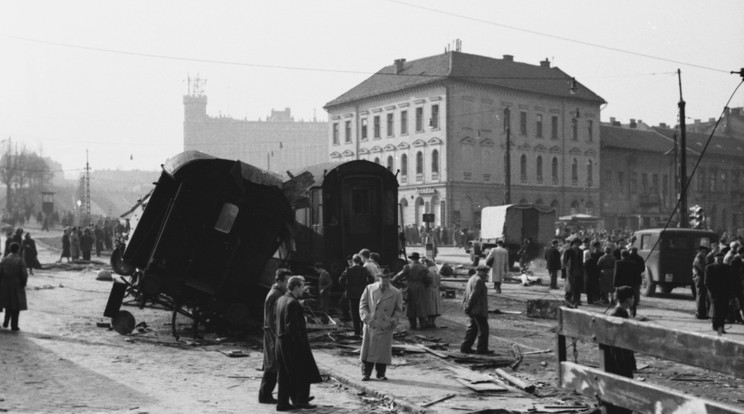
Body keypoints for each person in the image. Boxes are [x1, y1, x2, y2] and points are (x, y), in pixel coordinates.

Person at [275, 276, 322, 411]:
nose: (304, 289)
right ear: (296, 287)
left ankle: (282, 403)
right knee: (300, 372)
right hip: (292, 344)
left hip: (281, 342)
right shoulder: (293, 303)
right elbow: (293, 329)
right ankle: (300, 400)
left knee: (284, 374)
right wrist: (301, 347)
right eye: (302, 287)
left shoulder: (282, 299)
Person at [359, 270, 403, 381]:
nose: (385, 280)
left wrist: (392, 321)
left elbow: (398, 310)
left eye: (387, 277)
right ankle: (366, 373)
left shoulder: (396, 292)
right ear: (379, 278)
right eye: (383, 277)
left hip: (385, 326)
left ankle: (381, 374)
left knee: (382, 352)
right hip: (371, 324)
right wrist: (366, 318)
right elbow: (363, 305)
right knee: (368, 351)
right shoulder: (370, 288)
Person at [600, 285, 637, 414]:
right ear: (628, 299)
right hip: (621, 360)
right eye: (633, 298)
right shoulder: (620, 314)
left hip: (614, 359)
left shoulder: (615, 312)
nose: (634, 300)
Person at [258, 268, 291, 404]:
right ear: (280, 281)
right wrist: (278, 335)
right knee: (272, 365)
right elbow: (272, 319)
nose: (289, 284)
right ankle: (264, 395)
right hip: (273, 334)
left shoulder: (279, 293)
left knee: (274, 364)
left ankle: (265, 394)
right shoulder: (274, 295)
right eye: (287, 281)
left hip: (275, 333)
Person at [392, 252, 431, 330]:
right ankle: (422, 323)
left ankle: (413, 325)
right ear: (418, 259)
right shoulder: (424, 267)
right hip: (421, 288)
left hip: (411, 288)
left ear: (411, 259)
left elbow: (399, 276)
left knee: (410, 306)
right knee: (421, 305)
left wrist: (393, 281)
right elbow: (428, 279)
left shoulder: (408, 267)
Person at [339, 254, 375, 336]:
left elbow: (340, 280)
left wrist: (347, 287)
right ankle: (363, 330)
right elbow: (371, 279)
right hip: (363, 293)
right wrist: (366, 286)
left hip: (351, 294)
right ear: (360, 261)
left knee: (354, 313)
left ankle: (357, 332)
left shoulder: (348, 270)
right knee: (363, 311)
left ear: (353, 260)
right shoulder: (364, 269)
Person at [460, 264, 492, 355]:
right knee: (483, 330)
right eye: (485, 272)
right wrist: (468, 307)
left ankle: (465, 347)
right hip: (477, 309)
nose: (486, 274)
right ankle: (482, 349)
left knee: (472, 329)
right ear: (479, 271)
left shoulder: (472, 278)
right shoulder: (478, 280)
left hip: (472, 309)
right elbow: (474, 296)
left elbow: (466, 293)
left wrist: (466, 306)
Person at [0, 242, 29, 331]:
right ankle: (14, 325)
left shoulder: (5, 259)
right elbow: (24, 274)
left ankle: (5, 322)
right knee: (16, 306)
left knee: (8, 304)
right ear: (18, 249)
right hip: (16, 284)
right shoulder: (20, 260)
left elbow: (0, 272)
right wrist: (23, 283)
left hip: (5, 284)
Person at [705, 252, 730, 336]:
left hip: (725, 292)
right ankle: (719, 328)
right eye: (718, 259)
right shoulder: (709, 268)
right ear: (714, 259)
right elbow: (707, 282)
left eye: (721, 259)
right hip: (715, 293)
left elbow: (730, 280)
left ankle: (718, 326)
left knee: (724, 311)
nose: (720, 261)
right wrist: (712, 292)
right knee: (717, 311)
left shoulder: (727, 267)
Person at [613, 250, 642, 317]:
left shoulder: (618, 263)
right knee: (632, 298)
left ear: (621, 255)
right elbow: (636, 274)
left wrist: (615, 284)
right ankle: (633, 313)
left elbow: (616, 274)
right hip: (631, 284)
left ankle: (619, 311)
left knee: (621, 299)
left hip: (621, 284)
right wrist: (637, 283)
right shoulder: (633, 263)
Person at [562, 238, 584, 307]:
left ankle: (576, 300)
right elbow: (564, 261)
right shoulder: (568, 251)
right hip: (570, 271)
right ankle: (568, 299)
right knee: (570, 286)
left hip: (578, 271)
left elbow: (581, 261)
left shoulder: (581, 251)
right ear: (573, 244)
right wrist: (566, 269)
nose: (577, 244)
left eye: (578, 243)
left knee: (577, 286)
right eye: (575, 243)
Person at [692, 245, 710, 319]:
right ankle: (700, 313)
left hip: (700, 278)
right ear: (699, 251)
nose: (704, 253)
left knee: (701, 296)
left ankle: (702, 313)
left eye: (705, 252)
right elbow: (703, 269)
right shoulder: (699, 259)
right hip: (700, 278)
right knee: (700, 296)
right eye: (703, 251)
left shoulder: (701, 258)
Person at [424, 257, 442, 328]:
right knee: (435, 306)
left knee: (429, 306)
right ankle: (432, 322)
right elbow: (439, 282)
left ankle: (429, 322)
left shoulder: (427, 272)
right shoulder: (436, 271)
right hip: (436, 290)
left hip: (429, 290)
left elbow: (426, 282)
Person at [627, 247, 645, 316]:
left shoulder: (628, 257)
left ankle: (629, 300)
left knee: (629, 289)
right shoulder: (640, 258)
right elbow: (643, 268)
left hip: (629, 276)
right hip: (637, 276)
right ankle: (636, 300)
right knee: (637, 289)